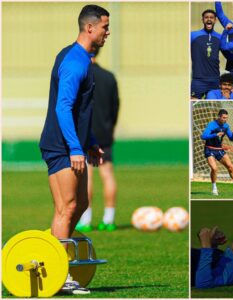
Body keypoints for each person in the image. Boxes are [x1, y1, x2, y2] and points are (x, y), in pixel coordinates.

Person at [39, 4, 110, 294]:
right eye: (105, 27)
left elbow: (82, 110)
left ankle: (57, 261)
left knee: (79, 205)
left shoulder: (84, 59)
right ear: (90, 28)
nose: (108, 33)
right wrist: (74, 148)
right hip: (61, 146)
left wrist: (89, 142)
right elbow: (63, 106)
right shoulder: (74, 61)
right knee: (66, 207)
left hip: (75, 145)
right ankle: (59, 272)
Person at [76, 49, 120, 232]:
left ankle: (86, 220)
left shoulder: (80, 76)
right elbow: (115, 106)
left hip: (85, 133)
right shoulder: (109, 77)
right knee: (107, 174)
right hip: (104, 133)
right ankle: (108, 219)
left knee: (87, 177)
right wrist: (110, 127)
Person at [201, 109, 233, 195]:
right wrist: (215, 134)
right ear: (219, 117)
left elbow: (231, 139)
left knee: (230, 167)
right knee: (214, 168)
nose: (225, 119)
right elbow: (203, 136)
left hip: (219, 149)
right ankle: (214, 189)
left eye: (226, 118)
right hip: (209, 149)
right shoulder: (211, 125)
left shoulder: (226, 126)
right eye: (223, 118)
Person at [191, 9, 227, 99]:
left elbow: (228, 53)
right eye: (206, 17)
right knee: (191, 103)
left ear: (215, 20)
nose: (209, 19)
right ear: (202, 20)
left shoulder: (219, 37)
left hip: (214, 80)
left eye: (211, 17)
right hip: (198, 80)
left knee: (212, 105)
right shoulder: (193, 35)